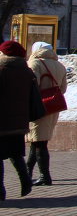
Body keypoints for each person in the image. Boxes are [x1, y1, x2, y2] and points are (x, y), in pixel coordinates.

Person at [0, 40, 41, 199]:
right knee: (15, 154)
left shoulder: (2, 70)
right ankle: (26, 181)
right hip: (19, 122)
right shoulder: (27, 71)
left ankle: (1, 190)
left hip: (2, 122)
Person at [26, 42, 67, 186]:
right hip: (53, 107)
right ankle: (27, 173)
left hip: (38, 107)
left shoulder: (34, 63)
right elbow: (63, 88)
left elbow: (31, 86)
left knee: (39, 143)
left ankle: (45, 176)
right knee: (37, 140)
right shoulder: (60, 65)